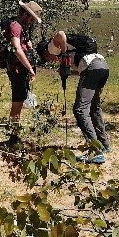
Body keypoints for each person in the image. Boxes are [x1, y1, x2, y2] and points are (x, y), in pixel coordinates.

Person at [38, 30, 110, 163]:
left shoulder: (52, 47)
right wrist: (68, 71)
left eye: (47, 57)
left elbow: (60, 34)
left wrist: (64, 54)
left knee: (80, 110)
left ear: (45, 51)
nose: (50, 59)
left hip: (92, 67)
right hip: (102, 66)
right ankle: (104, 144)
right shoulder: (76, 51)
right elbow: (82, 70)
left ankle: (95, 152)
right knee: (94, 107)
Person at [4, 0, 42, 143]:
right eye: (31, 18)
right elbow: (17, 49)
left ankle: (14, 133)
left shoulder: (21, 26)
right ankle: (13, 136)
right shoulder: (15, 26)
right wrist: (30, 68)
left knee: (20, 100)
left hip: (21, 69)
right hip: (18, 70)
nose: (32, 22)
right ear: (25, 14)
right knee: (17, 102)